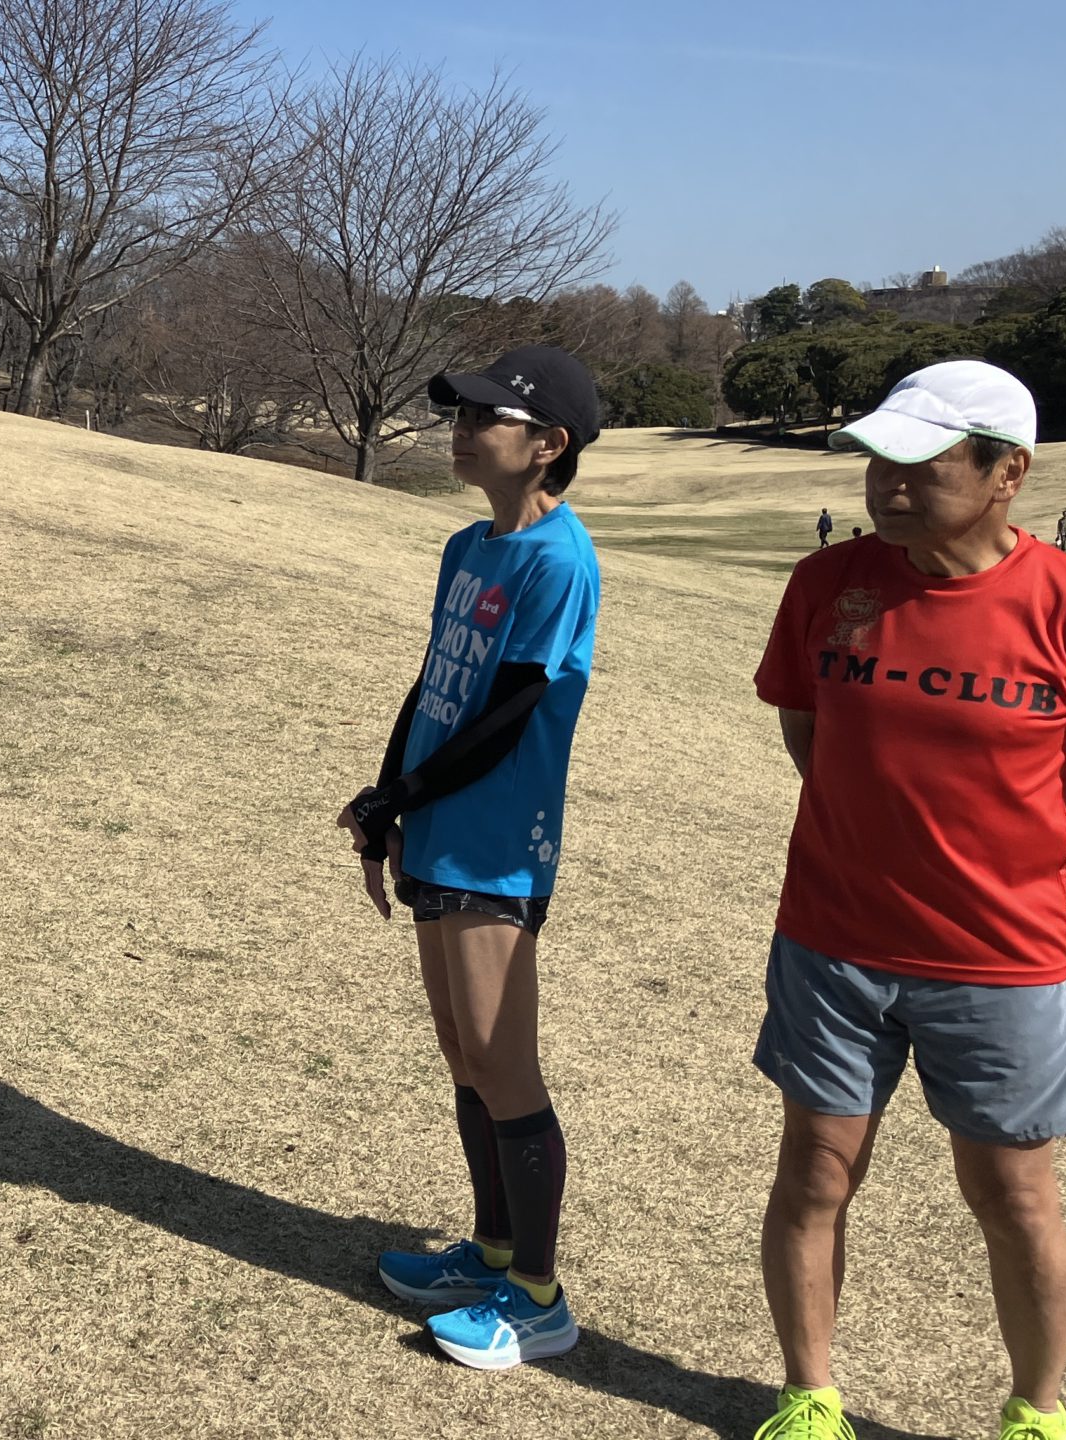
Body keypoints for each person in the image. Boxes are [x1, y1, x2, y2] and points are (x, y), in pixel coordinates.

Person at [749, 360, 1066, 1440]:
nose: (889, 482)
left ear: (1010, 472)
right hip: (831, 941)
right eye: (879, 459)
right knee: (815, 1175)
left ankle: (1035, 1414)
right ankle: (809, 1396)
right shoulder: (829, 583)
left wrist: (1017, 843)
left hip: (999, 960)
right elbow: (805, 725)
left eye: (921, 462)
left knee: (1013, 1197)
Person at [338, 345, 603, 1370]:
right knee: (462, 1051)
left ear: (548, 445)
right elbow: (436, 685)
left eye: (486, 418)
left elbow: (510, 711)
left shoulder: (557, 560)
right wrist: (384, 795)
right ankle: (489, 1253)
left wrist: (404, 795)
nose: (461, 430)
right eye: (460, 415)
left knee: (503, 1062)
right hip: (439, 824)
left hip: (495, 843)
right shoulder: (468, 547)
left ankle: (536, 1297)